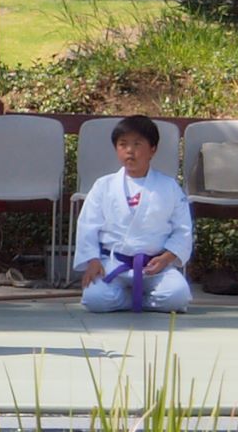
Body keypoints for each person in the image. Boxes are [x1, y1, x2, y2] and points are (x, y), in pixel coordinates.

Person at [75, 115, 193, 313]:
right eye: (123, 144)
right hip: (114, 263)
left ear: (152, 149)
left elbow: (183, 229)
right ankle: (136, 298)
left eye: (137, 144)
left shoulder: (169, 187)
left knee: (177, 297)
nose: (130, 150)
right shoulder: (104, 185)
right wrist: (93, 260)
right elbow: (88, 225)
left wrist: (166, 258)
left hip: (154, 266)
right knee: (94, 299)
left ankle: (128, 298)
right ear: (116, 149)